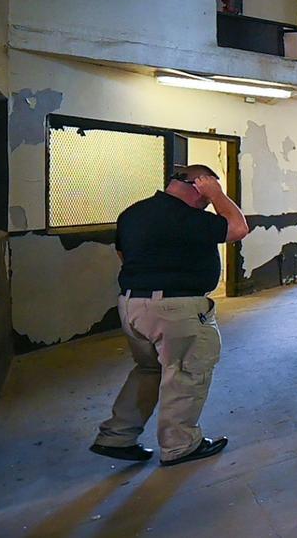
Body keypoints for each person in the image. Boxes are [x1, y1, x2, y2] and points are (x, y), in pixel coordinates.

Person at [90, 164, 249, 467]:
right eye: (205, 194)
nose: (207, 203)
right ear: (197, 185)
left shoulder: (133, 213)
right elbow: (238, 228)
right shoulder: (186, 217)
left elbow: (123, 255)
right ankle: (180, 445)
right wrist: (218, 195)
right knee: (186, 373)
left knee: (148, 370)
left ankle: (116, 436)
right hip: (176, 309)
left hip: (132, 305)